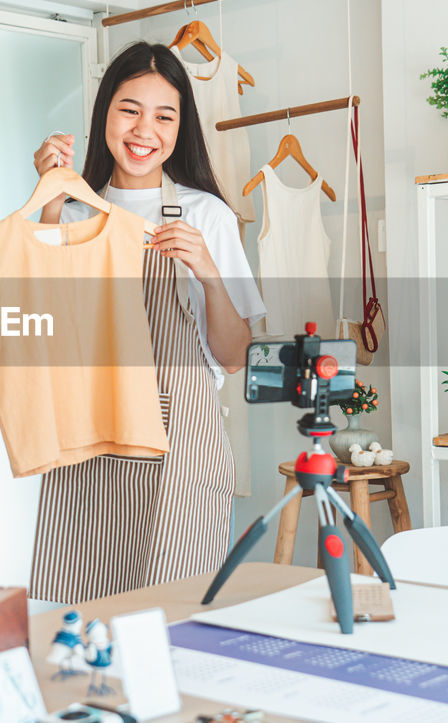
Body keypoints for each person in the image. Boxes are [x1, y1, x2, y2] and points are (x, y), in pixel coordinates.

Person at [28, 41, 266, 603]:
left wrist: (207, 271)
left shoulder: (206, 214)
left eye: (165, 115)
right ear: (104, 113)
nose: (145, 130)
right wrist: (50, 199)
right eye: (130, 109)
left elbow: (234, 359)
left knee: (175, 616)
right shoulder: (72, 208)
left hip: (180, 450)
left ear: (181, 129)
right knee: (84, 617)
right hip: (90, 445)